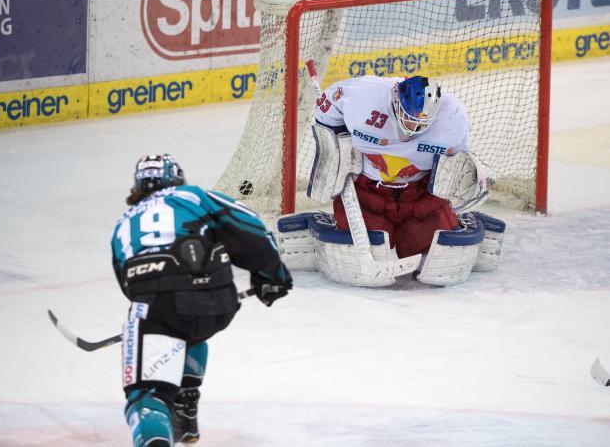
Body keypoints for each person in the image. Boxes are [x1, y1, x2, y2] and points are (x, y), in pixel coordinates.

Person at [111, 154, 292, 446]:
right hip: (217, 301)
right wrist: (272, 275)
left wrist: (148, 322)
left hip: (161, 303)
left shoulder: (123, 224)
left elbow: (129, 284)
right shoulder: (193, 196)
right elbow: (250, 228)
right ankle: (184, 402)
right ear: (176, 177)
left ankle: (161, 406)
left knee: (145, 397)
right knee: (186, 330)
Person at [313, 75, 471, 259]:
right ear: (396, 101)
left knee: (437, 251)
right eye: (409, 118)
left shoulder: (454, 117)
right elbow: (325, 113)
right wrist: (339, 148)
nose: (413, 127)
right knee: (358, 248)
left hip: (421, 195)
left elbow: (460, 164)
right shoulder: (362, 95)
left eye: (421, 123)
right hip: (367, 191)